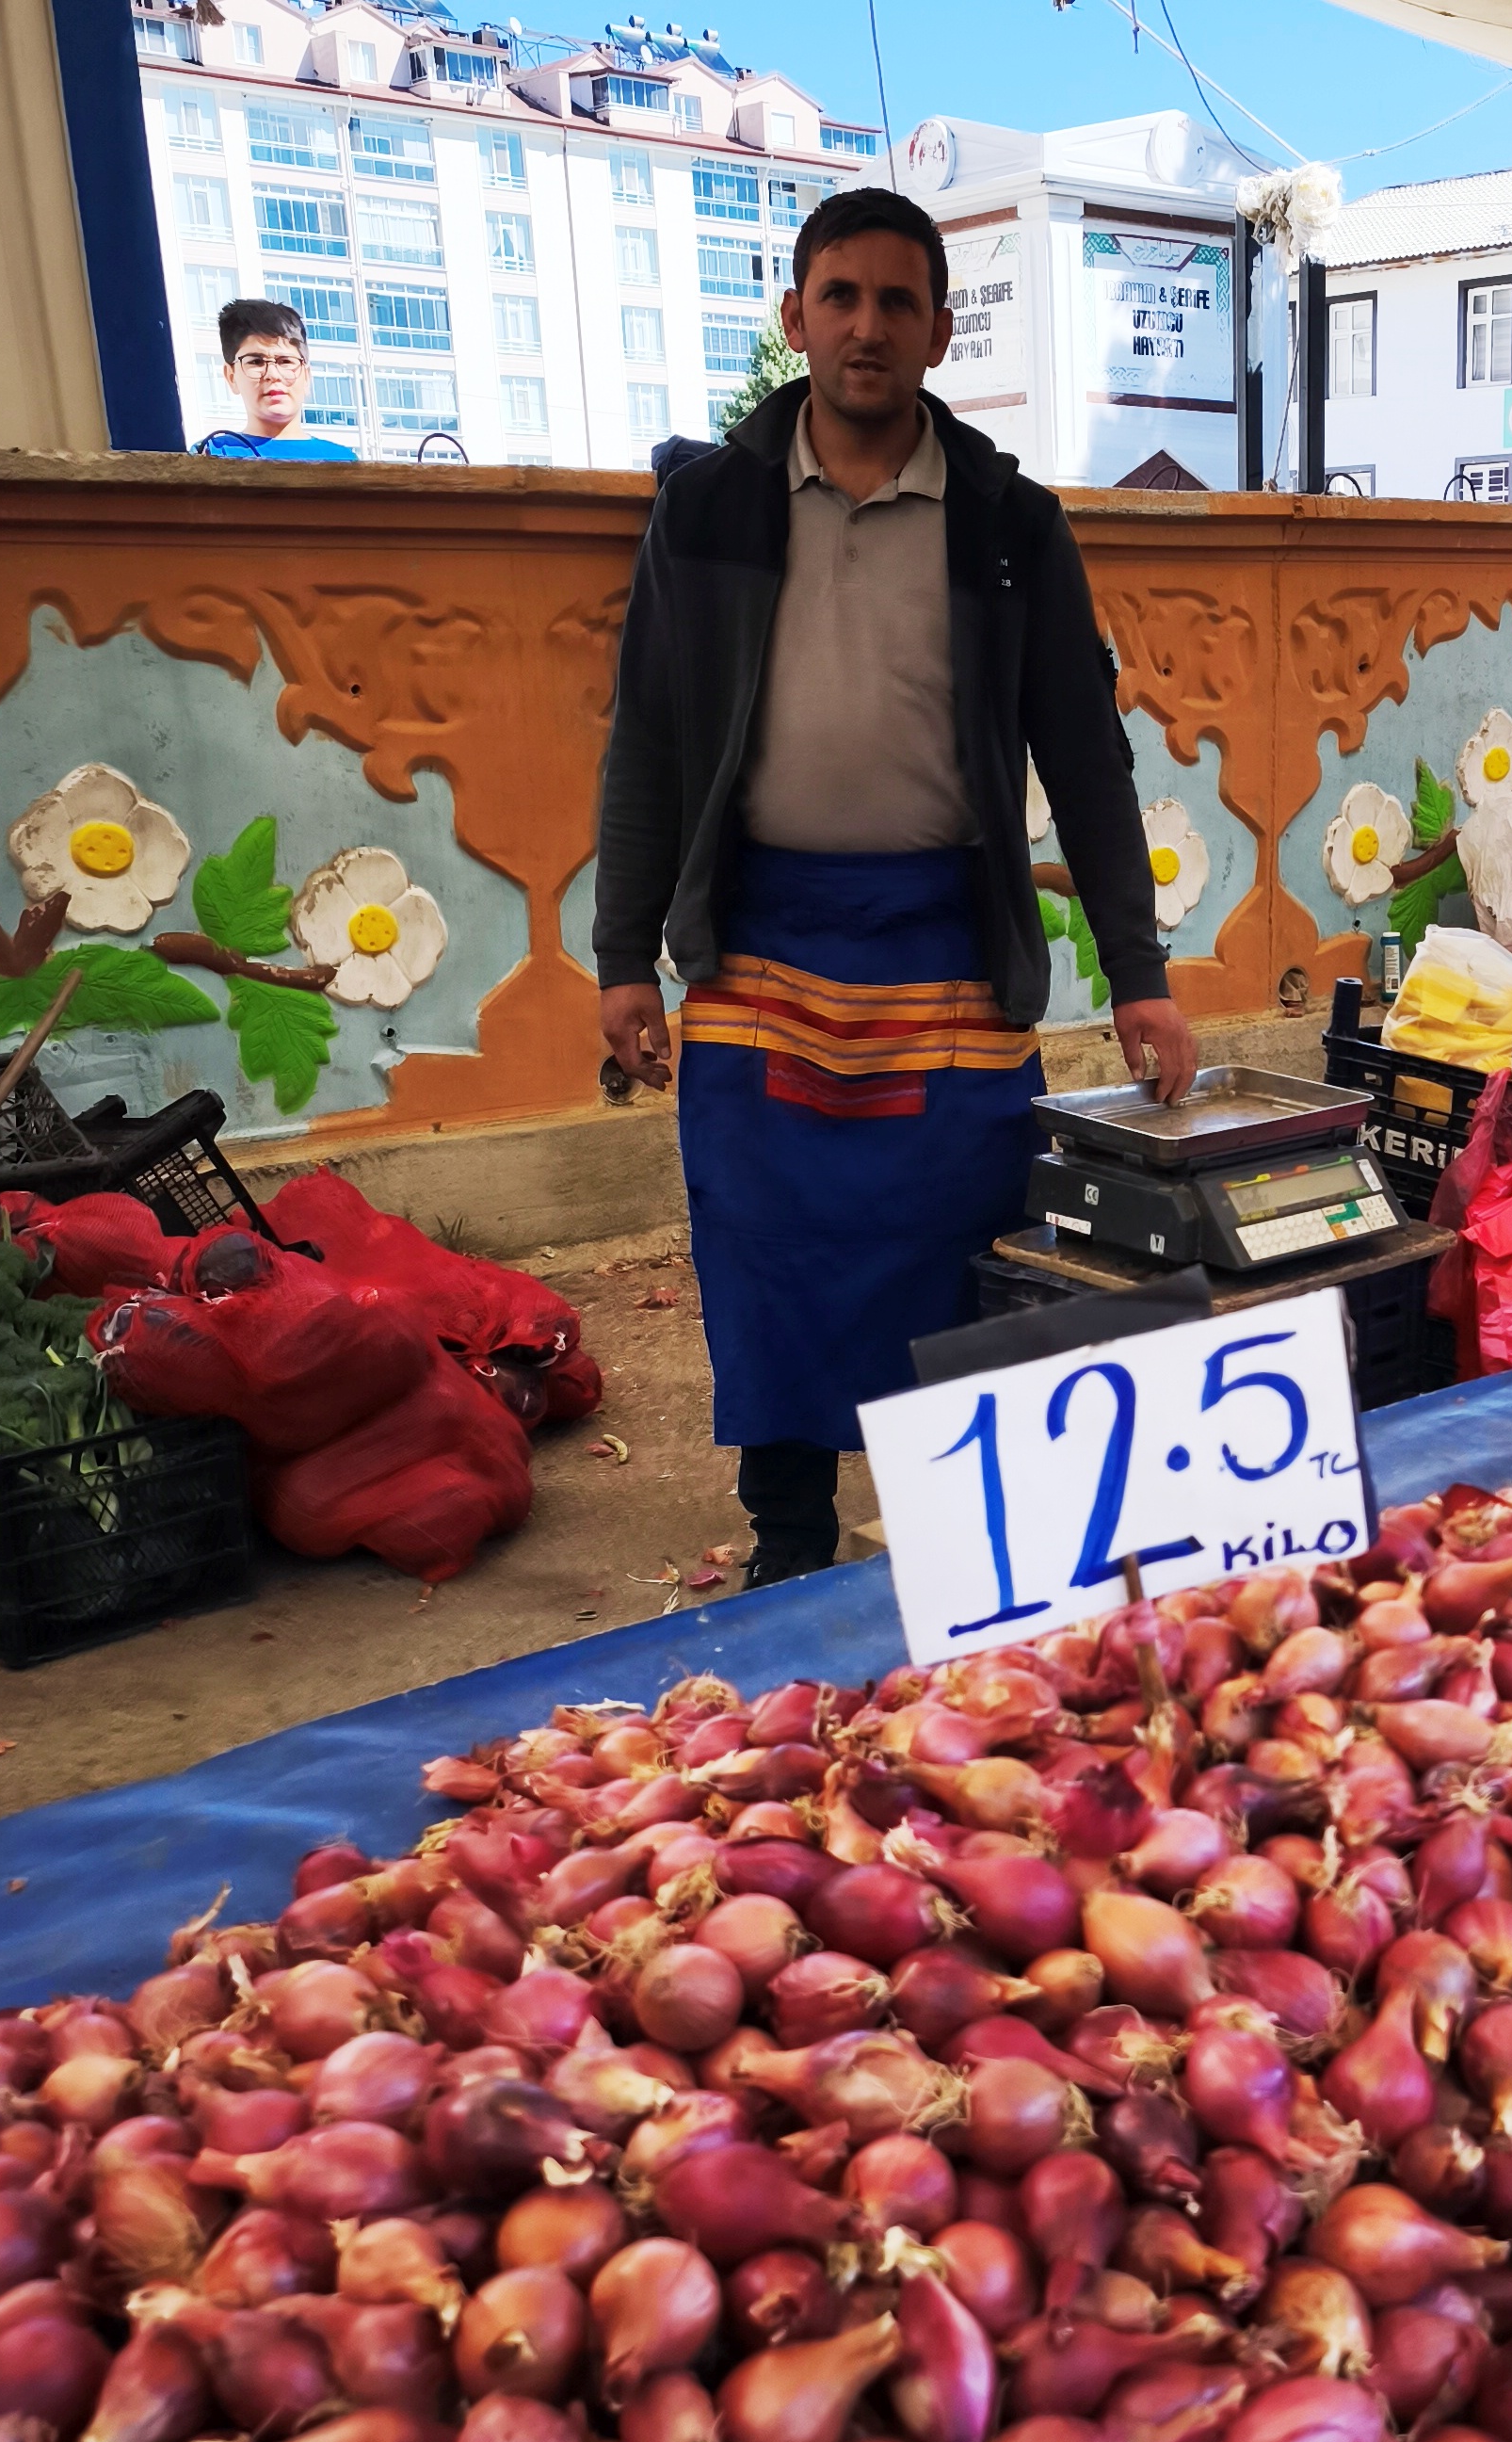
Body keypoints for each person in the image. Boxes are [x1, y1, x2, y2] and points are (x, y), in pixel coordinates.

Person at [591, 186, 1196, 1588]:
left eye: (899, 302)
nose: (868, 326)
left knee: (969, 1246)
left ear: (938, 332)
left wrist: (1141, 978)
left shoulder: (1008, 520)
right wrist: (627, 954)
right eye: (842, 297)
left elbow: (1088, 759)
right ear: (796, 316)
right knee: (765, 1255)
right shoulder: (708, 510)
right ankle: (789, 1552)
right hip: (758, 953)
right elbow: (650, 743)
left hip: (948, 952)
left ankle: (972, 1557)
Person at [194, 301, 357, 461]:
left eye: (285, 361)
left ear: (306, 376)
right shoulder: (210, 454)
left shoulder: (343, 461)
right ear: (231, 377)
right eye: (256, 362)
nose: (272, 374)